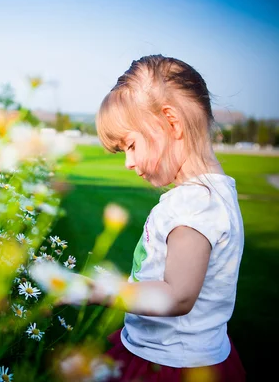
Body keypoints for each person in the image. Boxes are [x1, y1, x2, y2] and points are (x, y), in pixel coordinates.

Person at [65, 55, 246, 381]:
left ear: (171, 123)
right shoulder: (210, 194)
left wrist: (97, 290)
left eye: (131, 146)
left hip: (169, 365)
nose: (128, 163)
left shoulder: (196, 204)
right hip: (167, 350)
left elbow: (178, 295)